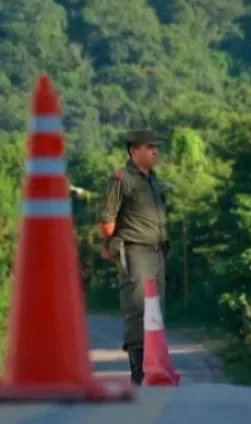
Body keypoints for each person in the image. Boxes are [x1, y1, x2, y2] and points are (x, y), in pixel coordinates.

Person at [97, 129, 170, 385]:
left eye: (156, 147)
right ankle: (139, 371)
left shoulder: (153, 180)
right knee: (137, 310)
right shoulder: (121, 179)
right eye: (149, 147)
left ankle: (155, 367)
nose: (155, 151)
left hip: (157, 251)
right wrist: (112, 245)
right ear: (134, 150)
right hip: (135, 251)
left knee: (156, 312)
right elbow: (107, 219)